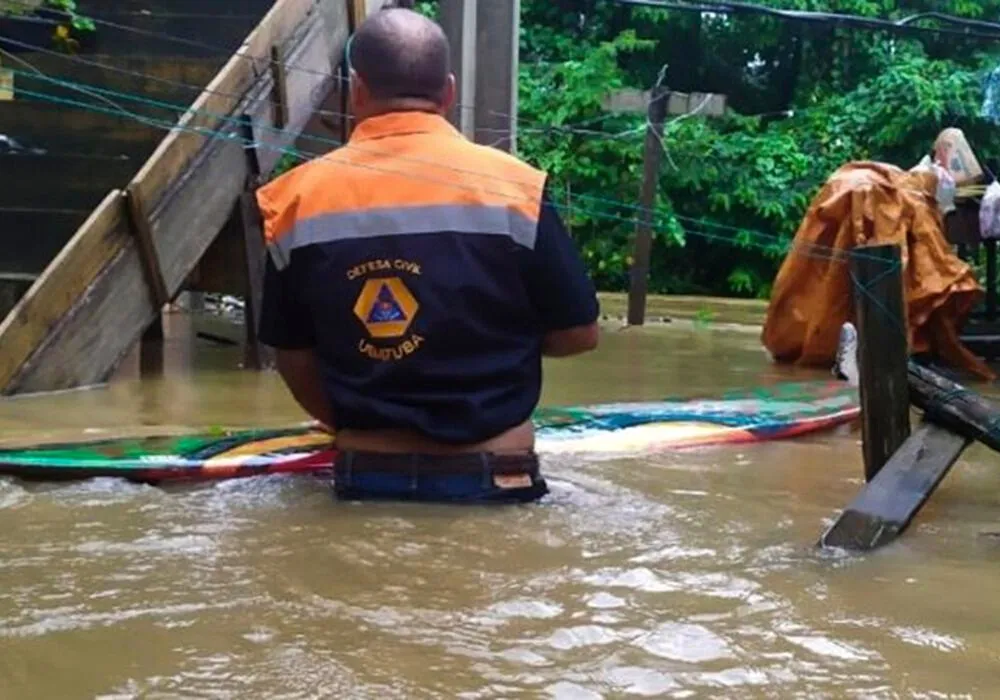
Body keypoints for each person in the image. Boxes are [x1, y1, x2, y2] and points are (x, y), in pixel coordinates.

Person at [255, 8, 600, 504]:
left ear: (357, 90)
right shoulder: (517, 189)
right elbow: (581, 334)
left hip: (365, 476)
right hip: (499, 474)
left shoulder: (293, 201)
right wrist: (494, 340)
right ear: (449, 91)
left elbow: (293, 358)